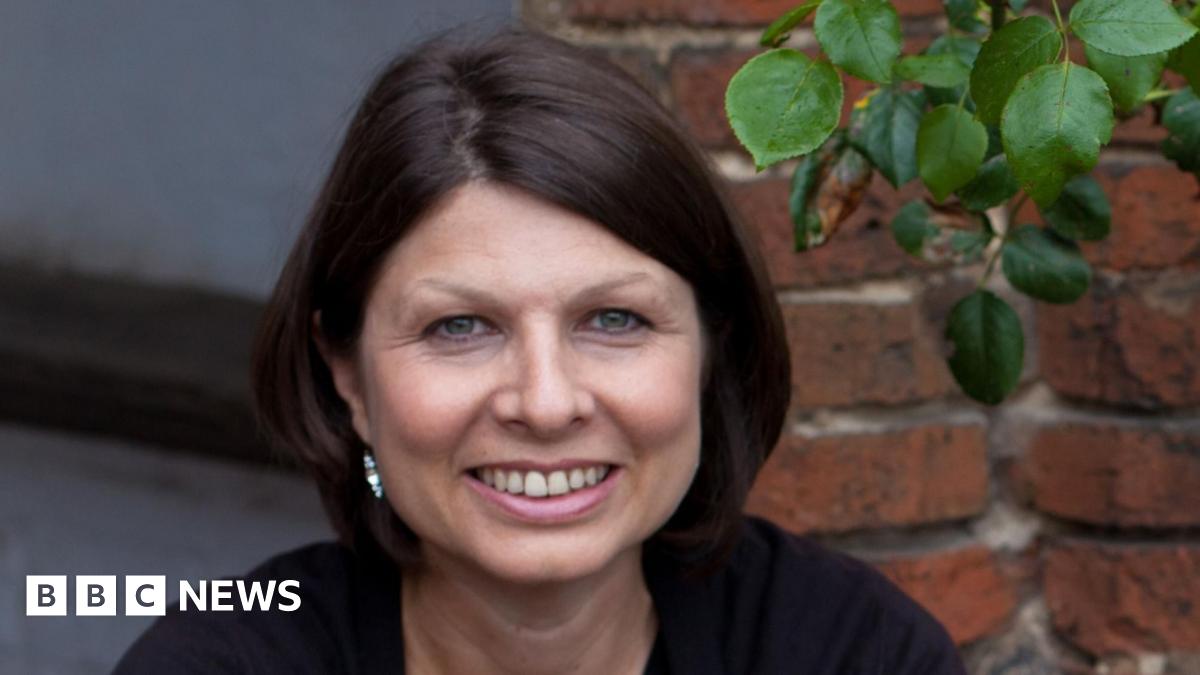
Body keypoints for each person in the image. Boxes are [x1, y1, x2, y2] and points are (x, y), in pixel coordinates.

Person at [113, 24, 967, 675]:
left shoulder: (852, 653)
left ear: (712, 346)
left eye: (614, 319)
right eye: (460, 327)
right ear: (348, 374)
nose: (547, 401)